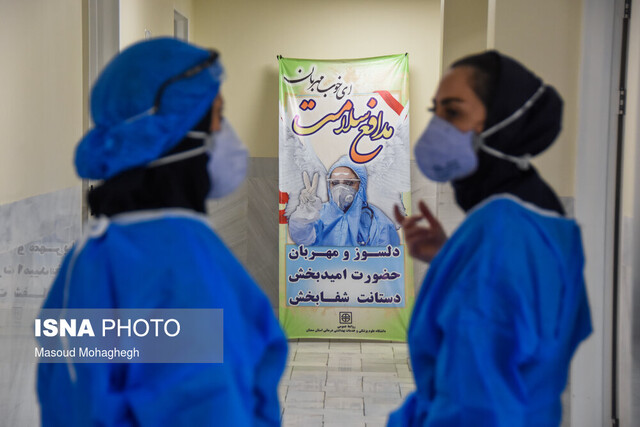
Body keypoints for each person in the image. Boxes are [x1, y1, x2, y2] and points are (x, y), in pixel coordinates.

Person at [37, 38, 287, 426]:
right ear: (176, 133)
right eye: (218, 115)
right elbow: (206, 409)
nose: (224, 131)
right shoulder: (176, 267)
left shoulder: (92, 252)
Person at [388, 51, 592, 426]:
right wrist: (451, 259)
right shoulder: (545, 216)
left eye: (453, 112)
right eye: (436, 111)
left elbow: (474, 405)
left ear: (504, 120)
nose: (436, 128)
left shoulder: (501, 230)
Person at [288, 155, 400, 246]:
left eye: (349, 183)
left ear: (361, 185)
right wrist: (305, 215)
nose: (340, 190)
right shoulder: (318, 214)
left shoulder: (378, 221)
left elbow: (385, 260)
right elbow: (301, 239)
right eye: (335, 183)